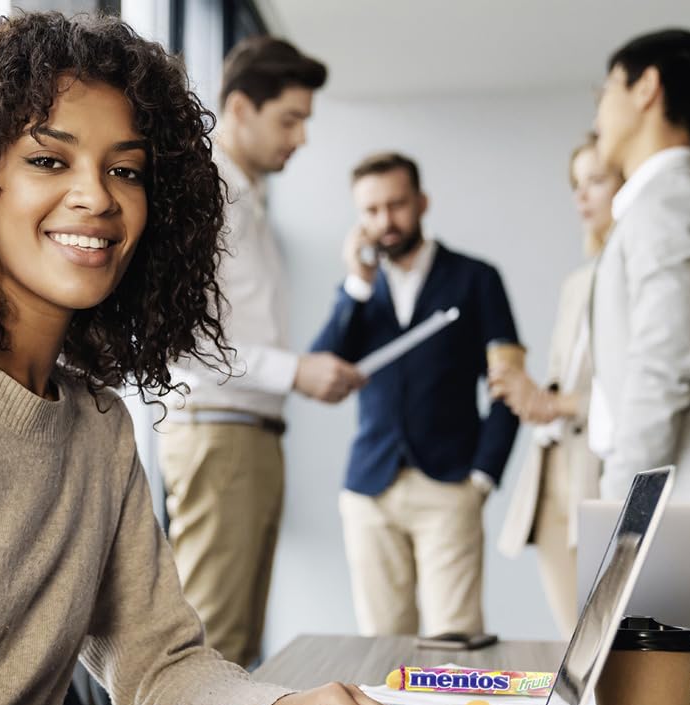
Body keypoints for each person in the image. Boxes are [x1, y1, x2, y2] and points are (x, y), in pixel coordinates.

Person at [0, 13, 425, 705]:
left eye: (127, 170)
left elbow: (160, 664)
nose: (99, 197)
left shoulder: (97, 423)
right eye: (50, 160)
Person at [158, 36, 364, 668]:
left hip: (249, 434)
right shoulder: (210, 195)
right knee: (213, 644)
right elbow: (182, 338)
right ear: (241, 109)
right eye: (290, 119)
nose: (301, 138)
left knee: (238, 645)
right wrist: (294, 371)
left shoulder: (248, 200)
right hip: (222, 434)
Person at [311, 152, 520, 637]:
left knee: (456, 640)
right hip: (370, 487)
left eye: (397, 205)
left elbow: (509, 384)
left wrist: (484, 476)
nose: (386, 221)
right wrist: (356, 286)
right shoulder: (359, 292)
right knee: (381, 644)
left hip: (450, 484)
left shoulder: (476, 278)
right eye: (371, 211)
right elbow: (321, 369)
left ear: (422, 202)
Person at [492, 136, 622, 639]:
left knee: (616, 642)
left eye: (596, 180)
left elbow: (646, 391)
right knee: (576, 641)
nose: (581, 196)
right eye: (575, 184)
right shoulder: (578, 283)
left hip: (602, 472)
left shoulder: (646, 276)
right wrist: (529, 393)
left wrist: (555, 402)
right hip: (550, 477)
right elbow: (564, 382)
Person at [588, 28, 690, 501]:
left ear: (646, 87)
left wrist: (622, 506)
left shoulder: (668, 200)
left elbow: (663, 363)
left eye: (605, 91)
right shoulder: (661, 201)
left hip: (668, 499)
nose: (597, 115)